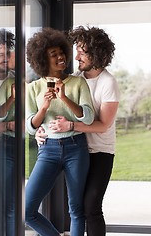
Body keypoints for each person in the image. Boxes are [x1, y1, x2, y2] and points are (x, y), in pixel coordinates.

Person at [36, 26, 121, 236]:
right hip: (77, 149)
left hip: (101, 152)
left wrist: (71, 126)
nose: (77, 56)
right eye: (77, 51)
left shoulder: (108, 83)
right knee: (78, 208)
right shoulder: (76, 78)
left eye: (82, 52)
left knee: (92, 206)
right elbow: (55, 110)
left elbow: (103, 125)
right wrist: (41, 130)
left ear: (97, 53)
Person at [25, 27, 94, 236]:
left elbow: (88, 117)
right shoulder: (33, 88)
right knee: (27, 211)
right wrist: (44, 108)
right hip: (48, 150)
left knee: (76, 209)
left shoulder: (78, 82)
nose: (60, 57)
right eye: (53, 54)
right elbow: (30, 126)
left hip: (76, 147)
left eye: (61, 52)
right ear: (43, 60)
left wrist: (64, 98)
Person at [0, 29, 15, 236]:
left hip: (10, 150)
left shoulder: (17, 81)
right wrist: (7, 126)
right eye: (0, 55)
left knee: (10, 206)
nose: (6, 59)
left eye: (8, 53)